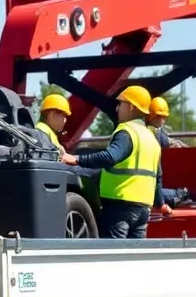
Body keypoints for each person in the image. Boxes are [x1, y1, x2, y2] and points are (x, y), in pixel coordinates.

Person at [62, 85, 170, 237]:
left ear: (131, 107)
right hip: (143, 208)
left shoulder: (127, 132)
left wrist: (77, 159)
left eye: (121, 104)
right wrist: (160, 203)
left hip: (120, 206)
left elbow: (110, 157)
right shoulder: (151, 139)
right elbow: (157, 176)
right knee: (135, 256)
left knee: (113, 255)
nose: (118, 108)